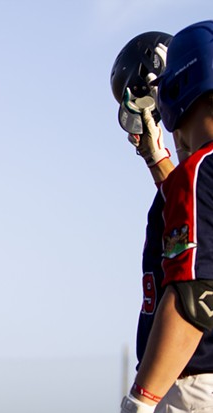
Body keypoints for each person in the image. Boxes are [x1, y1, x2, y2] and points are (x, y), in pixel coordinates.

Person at [115, 20, 213, 413]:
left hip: (192, 380)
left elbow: (197, 298)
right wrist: (158, 158)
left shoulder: (201, 169)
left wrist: (142, 400)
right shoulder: (193, 176)